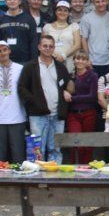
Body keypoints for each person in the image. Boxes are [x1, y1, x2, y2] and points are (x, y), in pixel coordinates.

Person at [18, 35, 73, 164]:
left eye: (50, 46)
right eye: (45, 46)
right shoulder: (30, 66)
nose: (48, 48)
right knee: (37, 150)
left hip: (57, 115)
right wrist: (34, 102)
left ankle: (54, 174)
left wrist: (67, 91)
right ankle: (38, 175)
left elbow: (68, 83)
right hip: (37, 115)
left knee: (56, 149)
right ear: (39, 47)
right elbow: (22, 88)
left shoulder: (60, 66)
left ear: (54, 48)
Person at [0, 41, 26, 164]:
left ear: (9, 50)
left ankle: (19, 176)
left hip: (17, 116)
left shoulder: (20, 68)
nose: (2, 53)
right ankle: (1, 176)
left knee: (18, 153)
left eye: (5, 50)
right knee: (0, 154)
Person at [65, 50, 98, 163]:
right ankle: (74, 167)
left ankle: (86, 168)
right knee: (75, 141)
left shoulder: (93, 75)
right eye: (78, 58)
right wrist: (64, 92)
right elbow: (63, 90)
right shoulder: (70, 75)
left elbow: (92, 96)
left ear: (87, 61)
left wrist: (73, 98)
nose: (80, 61)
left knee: (87, 143)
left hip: (89, 113)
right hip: (73, 114)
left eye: (83, 59)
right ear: (73, 60)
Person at [80, 0, 109, 78]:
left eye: (103, 1)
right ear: (93, 3)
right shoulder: (86, 18)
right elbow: (84, 39)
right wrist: (87, 59)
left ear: (107, 1)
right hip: (93, 61)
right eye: (97, 2)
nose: (101, 4)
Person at [0, 0, 38, 64]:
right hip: (5, 61)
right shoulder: (0, 20)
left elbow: (34, 42)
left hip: (25, 62)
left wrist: (34, 62)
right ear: (5, 2)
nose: (12, 1)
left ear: (20, 1)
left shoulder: (29, 19)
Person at [43, 0, 81, 73]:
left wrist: (63, 56)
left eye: (65, 10)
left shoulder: (74, 26)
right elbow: (43, 44)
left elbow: (77, 45)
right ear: (55, 12)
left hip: (69, 63)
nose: (62, 12)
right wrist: (55, 56)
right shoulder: (47, 27)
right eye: (60, 10)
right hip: (51, 61)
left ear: (69, 13)